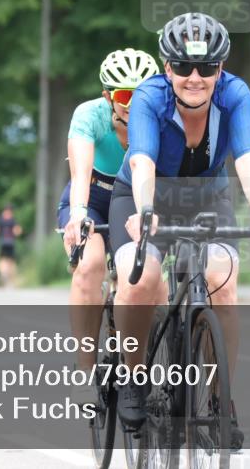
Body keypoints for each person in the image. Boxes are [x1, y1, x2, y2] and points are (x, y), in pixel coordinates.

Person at [108, 12, 250, 444]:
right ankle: (133, 377)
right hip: (141, 196)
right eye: (183, 67)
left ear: (220, 69)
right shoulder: (151, 98)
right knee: (142, 274)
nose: (195, 77)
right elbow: (142, 161)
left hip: (208, 197)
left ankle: (220, 401)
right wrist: (147, 210)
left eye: (207, 68)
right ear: (166, 67)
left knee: (222, 281)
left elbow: (247, 160)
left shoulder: (235, 95)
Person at [56, 48, 159, 394]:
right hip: (94, 200)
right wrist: (79, 214)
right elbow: (80, 174)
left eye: (141, 94)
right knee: (90, 265)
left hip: (136, 201)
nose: (133, 104)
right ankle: (85, 372)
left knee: (147, 278)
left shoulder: (160, 116)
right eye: (125, 96)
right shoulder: (90, 116)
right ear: (107, 96)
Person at [0, 204, 24, 288]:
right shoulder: (13, 220)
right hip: (11, 242)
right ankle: (10, 280)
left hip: (2, 242)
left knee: (2, 259)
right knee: (11, 261)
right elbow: (18, 231)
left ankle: (3, 273)